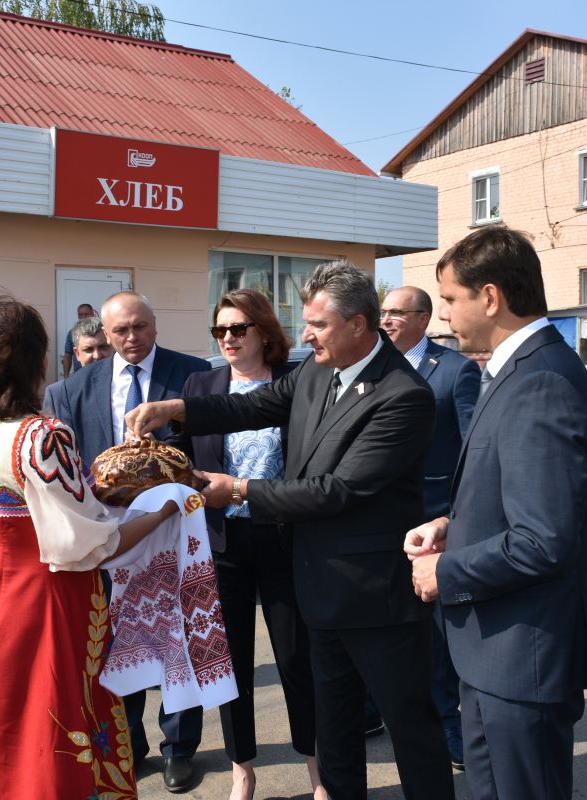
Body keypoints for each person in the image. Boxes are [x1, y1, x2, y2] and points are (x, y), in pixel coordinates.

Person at [128, 262, 453, 800]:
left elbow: (336, 491)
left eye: (318, 325)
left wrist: (237, 491)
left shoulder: (403, 395)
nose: (305, 335)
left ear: (359, 324)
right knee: (337, 729)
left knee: (410, 727)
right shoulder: (317, 370)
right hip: (318, 592)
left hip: (375, 599)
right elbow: (251, 404)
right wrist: (177, 409)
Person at [404, 227, 587, 800]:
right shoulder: (518, 370)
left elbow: (543, 540)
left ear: (490, 297)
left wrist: (444, 572)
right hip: (498, 653)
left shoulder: (540, 381)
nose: (443, 315)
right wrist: (451, 526)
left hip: (523, 657)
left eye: (449, 299)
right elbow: (518, 497)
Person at [0, 292, 178, 800]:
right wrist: (163, 510)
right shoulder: (41, 435)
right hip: (48, 603)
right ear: (32, 359)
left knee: (1, 722)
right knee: (54, 721)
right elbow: (92, 545)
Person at [43, 291, 210, 792]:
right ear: (105, 336)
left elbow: (203, 446)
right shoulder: (72, 389)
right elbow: (67, 469)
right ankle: (127, 743)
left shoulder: (193, 374)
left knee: (177, 644)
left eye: (140, 327)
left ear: (154, 325)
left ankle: (180, 749)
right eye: (121, 331)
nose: (132, 338)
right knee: (118, 646)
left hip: (175, 530)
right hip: (108, 539)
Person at [169, 289, 325, 800]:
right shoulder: (202, 384)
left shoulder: (294, 383)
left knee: (297, 660)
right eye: (221, 331)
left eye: (238, 329)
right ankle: (243, 771)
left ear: (263, 331)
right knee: (229, 664)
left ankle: (316, 767)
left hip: (282, 536)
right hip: (222, 541)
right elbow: (179, 455)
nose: (229, 339)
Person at [378, 284, 479, 770]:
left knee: (436, 638)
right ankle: (385, 714)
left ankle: (449, 727)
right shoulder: (371, 367)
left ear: (423, 318)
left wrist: (456, 519)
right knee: (386, 627)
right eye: (383, 313)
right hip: (377, 522)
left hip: (432, 520)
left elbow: (470, 455)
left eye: (397, 313)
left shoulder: (455, 370)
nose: (387, 320)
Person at [62, 302, 97, 377]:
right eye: (81, 314)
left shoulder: (102, 331)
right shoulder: (72, 333)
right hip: (79, 375)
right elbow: (67, 355)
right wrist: (66, 376)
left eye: (86, 314)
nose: (83, 317)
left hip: (100, 374)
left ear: (92, 314)